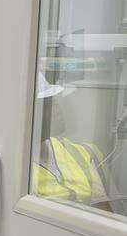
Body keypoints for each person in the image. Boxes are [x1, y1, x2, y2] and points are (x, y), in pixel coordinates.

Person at [32, 72, 120, 213]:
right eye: (49, 103)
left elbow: (105, 213)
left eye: (55, 101)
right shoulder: (19, 168)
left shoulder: (84, 152)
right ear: (31, 111)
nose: (58, 109)